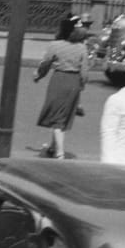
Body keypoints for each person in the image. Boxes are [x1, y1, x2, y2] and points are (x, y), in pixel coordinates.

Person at [33, 16, 89, 160]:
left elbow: (45, 64)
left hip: (59, 80)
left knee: (57, 117)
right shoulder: (82, 48)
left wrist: (39, 76)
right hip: (74, 81)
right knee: (62, 115)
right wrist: (81, 86)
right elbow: (84, 72)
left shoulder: (55, 45)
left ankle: (60, 153)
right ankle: (53, 146)